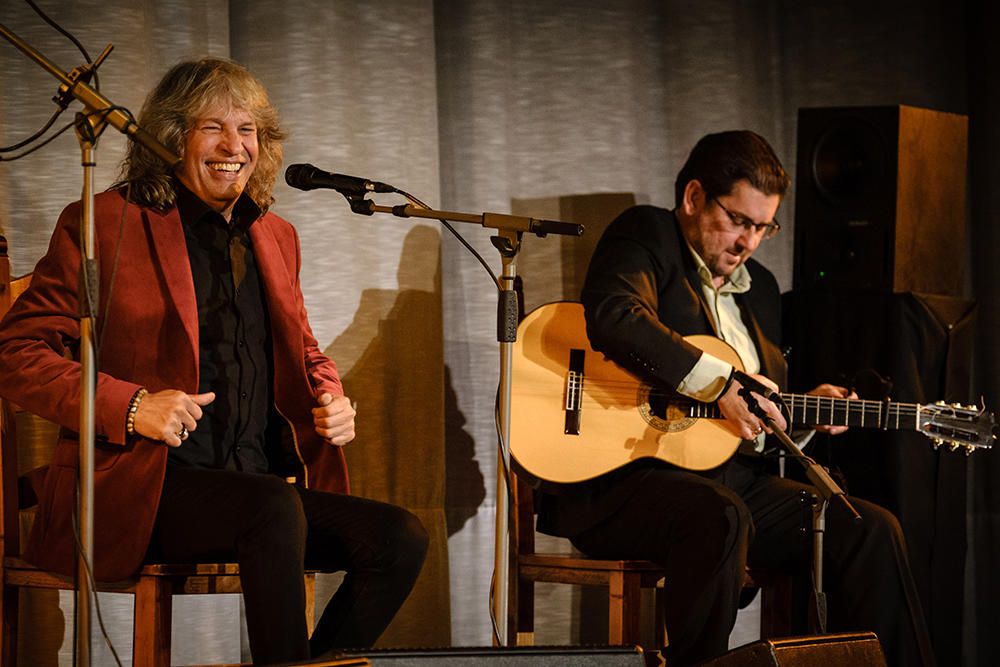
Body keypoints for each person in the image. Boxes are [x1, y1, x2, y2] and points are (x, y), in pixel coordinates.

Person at [0, 58, 427, 663]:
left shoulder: (276, 234)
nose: (234, 146)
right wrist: (132, 406)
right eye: (212, 128)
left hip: (252, 490)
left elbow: (303, 349)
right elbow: (15, 353)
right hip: (140, 489)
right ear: (170, 138)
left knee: (397, 538)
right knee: (272, 508)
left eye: (248, 130)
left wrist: (330, 397)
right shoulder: (107, 223)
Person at [536, 131, 935, 667]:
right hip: (624, 478)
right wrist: (721, 383)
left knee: (868, 529)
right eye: (740, 222)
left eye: (763, 227)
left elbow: (742, 417)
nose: (749, 241)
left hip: (732, 480)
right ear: (694, 197)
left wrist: (796, 416)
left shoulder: (761, 289)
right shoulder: (649, 235)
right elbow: (615, 316)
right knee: (720, 517)